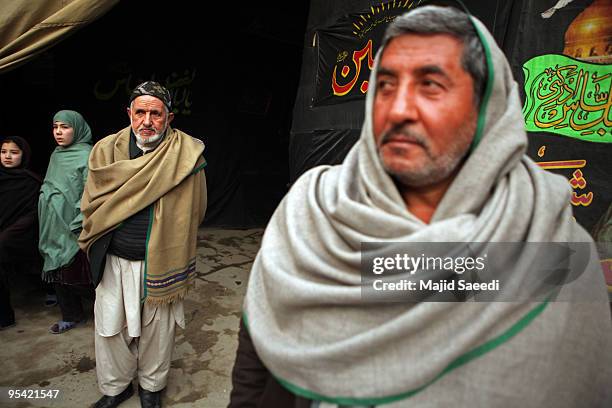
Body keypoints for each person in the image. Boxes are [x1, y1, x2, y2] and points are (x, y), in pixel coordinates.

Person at [229, 5, 612, 408]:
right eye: (386, 86)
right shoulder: (311, 211)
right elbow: (255, 354)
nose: (398, 110)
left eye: (431, 85)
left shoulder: (553, 251)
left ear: (487, 108)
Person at [78, 81, 207, 408]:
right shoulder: (105, 151)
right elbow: (91, 203)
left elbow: (197, 209)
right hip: (114, 259)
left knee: (158, 330)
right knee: (110, 328)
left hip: (162, 261)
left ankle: (152, 386)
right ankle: (115, 387)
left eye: (155, 114)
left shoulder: (186, 155)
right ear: (129, 114)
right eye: (140, 113)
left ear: (169, 117)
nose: (147, 121)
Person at [38, 110, 94, 334]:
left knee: (79, 274)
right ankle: (72, 315)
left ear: (77, 128)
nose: (59, 132)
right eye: (55, 127)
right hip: (53, 225)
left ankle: (111, 313)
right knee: (58, 271)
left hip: (74, 224)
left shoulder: (88, 155)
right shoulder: (56, 155)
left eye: (65, 127)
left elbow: (91, 192)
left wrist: (80, 220)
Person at [0, 136, 42, 330]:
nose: (7, 156)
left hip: (20, 235)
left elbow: (34, 213)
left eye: (14, 152)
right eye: (3, 152)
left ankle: (5, 317)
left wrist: (8, 234)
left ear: (24, 155)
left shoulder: (31, 182)